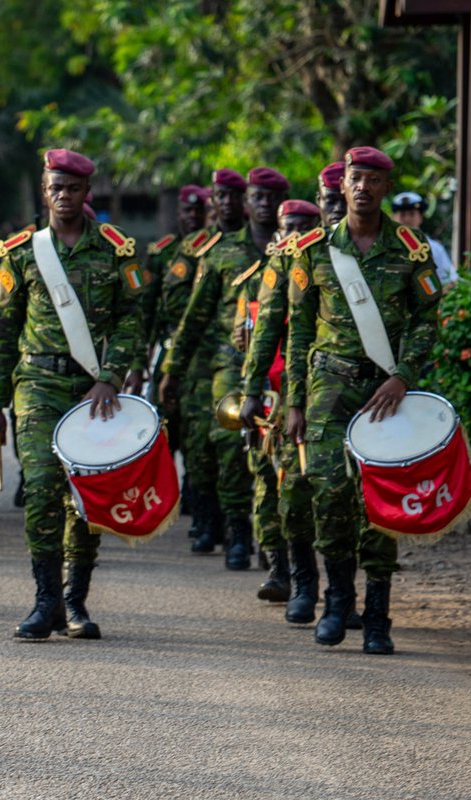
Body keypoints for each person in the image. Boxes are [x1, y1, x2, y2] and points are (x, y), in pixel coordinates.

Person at [285, 146, 440, 655]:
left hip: (386, 392)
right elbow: (299, 329)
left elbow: (426, 321)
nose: (362, 187)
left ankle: (378, 614)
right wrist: (294, 402)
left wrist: (403, 375)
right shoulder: (313, 249)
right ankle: (337, 601)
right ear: (343, 182)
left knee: (379, 497)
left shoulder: (411, 250)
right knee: (327, 490)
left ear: (384, 188)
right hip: (329, 384)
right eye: (356, 177)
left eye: (373, 179)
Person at [0, 148, 145, 641]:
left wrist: (112, 376)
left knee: (86, 496)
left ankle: (76, 601)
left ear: (86, 192)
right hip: (36, 384)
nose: (63, 196)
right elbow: (5, 333)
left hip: (93, 390)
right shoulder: (20, 252)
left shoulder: (116, 249)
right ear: (44, 190)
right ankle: (45, 601)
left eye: (72, 188)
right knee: (40, 489)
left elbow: (131, 320)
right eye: (55, 188)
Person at [160, 167, 289, 571]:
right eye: (258, 197)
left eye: (271, 197)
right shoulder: (220, 253)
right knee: (231, 445)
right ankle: (237, 533)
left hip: (286, 365)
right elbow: (194, 316)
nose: (264, 204)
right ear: (247, 202)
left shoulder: (298, 250)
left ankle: (277, 537)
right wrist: (172, 371)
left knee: (277, 453)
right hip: (231, 364)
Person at [237, 198, 322, 609]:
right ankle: (279, 568)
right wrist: (251, 389)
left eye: (304, 227)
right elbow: (255, 332)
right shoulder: (264, 275)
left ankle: (311, 577)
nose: (296, 236)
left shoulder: (322, 265)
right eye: (289, 228)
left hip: (309, 389)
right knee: (268, 481)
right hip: (272, 392)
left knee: (299, 484)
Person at [137, 184, 210, 536]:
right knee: (164, 424)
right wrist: (142, 357)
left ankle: (197, 492)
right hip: (168, 347)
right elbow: (148, 307)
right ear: (178, 213)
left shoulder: (215, 250)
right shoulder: (162, 253)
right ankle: (166, 491)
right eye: (188, 211)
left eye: (199, 212)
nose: (193, 217)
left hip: (205, 353)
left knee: (199, 426)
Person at [391, 192, 456, 287]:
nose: (407, 219)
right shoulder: (383, 245)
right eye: (402, 214)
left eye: (412, 214)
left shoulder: (435, 249)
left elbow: (450, 282)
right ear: (394, 218)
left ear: (421, 217)